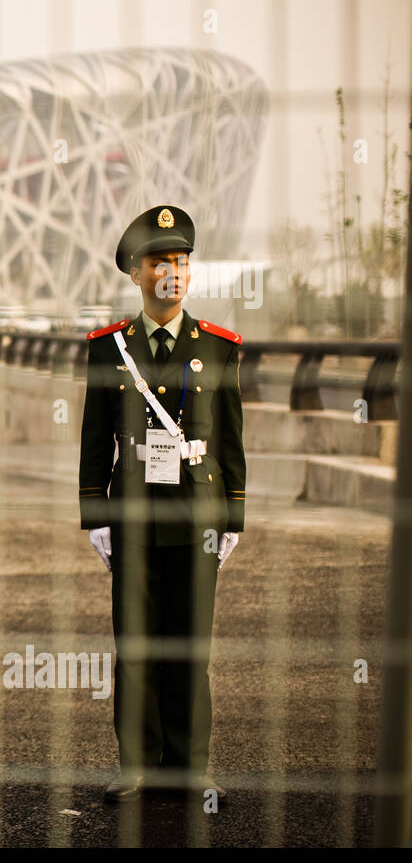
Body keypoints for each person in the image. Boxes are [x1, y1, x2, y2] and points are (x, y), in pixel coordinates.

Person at [78, 205, 246, 804]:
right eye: (159, 261)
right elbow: (96, 436)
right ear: (136, 273)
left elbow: (229, 438)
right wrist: (94, 511)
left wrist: (235, 517)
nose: (171, 271)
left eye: (180, 261)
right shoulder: (108, 349)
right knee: (137, 648)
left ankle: (189, 768)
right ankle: (137, 767)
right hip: (133, 518)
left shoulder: (219, 348)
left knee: (191, 647)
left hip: (198, 517)